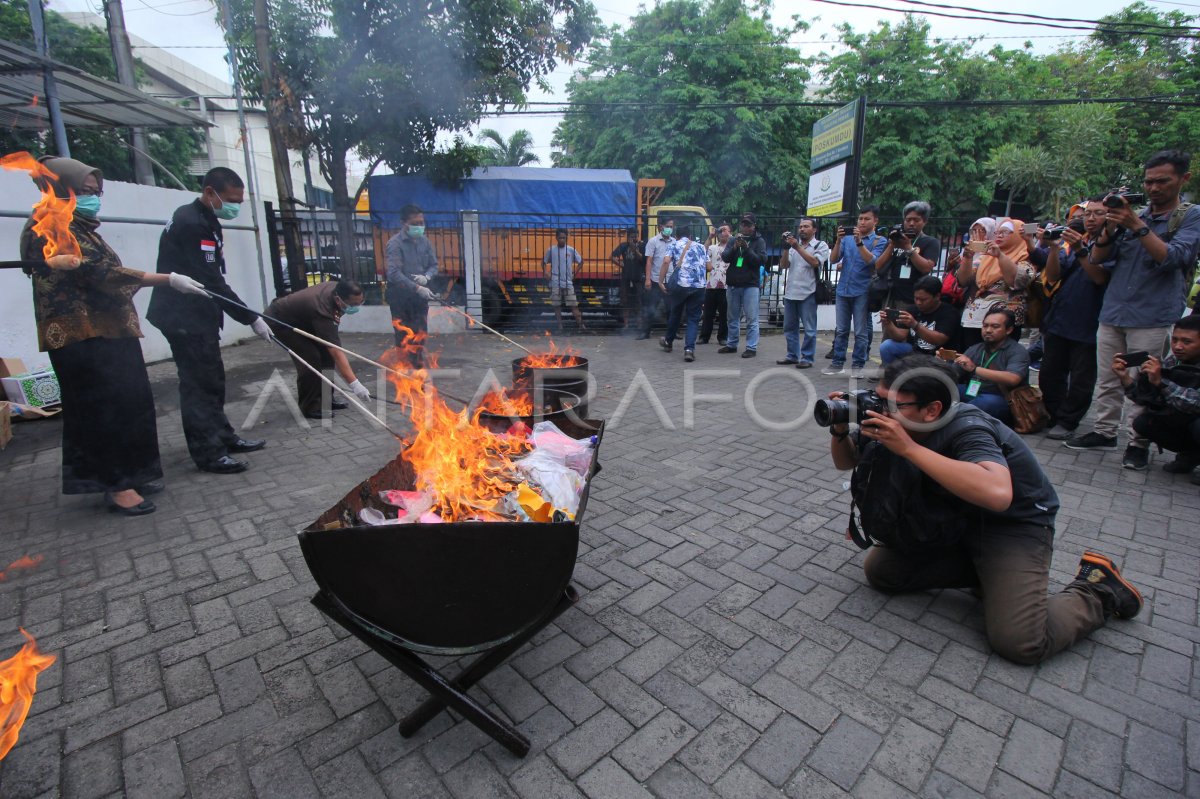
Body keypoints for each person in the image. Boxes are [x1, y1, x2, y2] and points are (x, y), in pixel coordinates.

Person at [828, 355, 1143, 665]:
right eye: (877, 399)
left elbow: (998, 494)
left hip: (1011, 525)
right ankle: (990, 577)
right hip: (957, 519)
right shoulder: (898, 425)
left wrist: (909, 449)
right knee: (882, 572)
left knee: (1020, 642)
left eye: (890, 404)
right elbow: (846, 461)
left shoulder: (968, 426)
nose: (877, 410)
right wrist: (840, 429)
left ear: (932, 410)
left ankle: (1098, 590)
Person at [19, 156, 208, 515]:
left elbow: (104, 276)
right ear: (62, 190)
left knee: (131, 402)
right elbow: (102, 274)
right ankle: (116, 485)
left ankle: (134, 472)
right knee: (101, 409)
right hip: (80, 337)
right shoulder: (47, 228)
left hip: (111, 330)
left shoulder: (82, 227)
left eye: (97, 192)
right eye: (86, 191)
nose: (94, 198)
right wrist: (167, 279)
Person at [1066, 150, 1200, 471]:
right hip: (1114, 311)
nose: (1153, 188)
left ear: (1184, 179)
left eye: (1162, 181)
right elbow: (1099, 260)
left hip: (1153, 315)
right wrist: (1110, 230)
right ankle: (1103, 430)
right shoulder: (1129, 215)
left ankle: (1137, 442)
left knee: (1144, 380)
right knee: (1109, 377)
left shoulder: (1189, 215)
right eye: (1148, 181)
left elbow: (1171, 258)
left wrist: (1136, 225)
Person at [147, 167, 270, 476]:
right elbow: (211, 282)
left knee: (213, 381)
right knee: (199, 386)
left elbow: (212, 277)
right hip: (183, 317)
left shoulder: (204, 218)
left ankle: (224, 437)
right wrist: (250, 317)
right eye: (231, 200)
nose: (235, 206)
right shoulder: (192, 224)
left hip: (198, 315)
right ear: (210, 192)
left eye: (240, 201)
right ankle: (209, 453)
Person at [1039, 200, 1108, 440]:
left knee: (1081, 377)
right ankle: (1054, 413)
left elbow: (1099, 278)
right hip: (1060, 318)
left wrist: (1080, 249)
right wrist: (1055, 249)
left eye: (1098, 214)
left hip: (1089, 320)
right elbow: (1055, 274)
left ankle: (1068, 420)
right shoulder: (1078, 242)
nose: (1090, 218)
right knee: (1049, 372)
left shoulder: (1110, 245)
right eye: (1088, 213)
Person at [265, 279, 369, 420]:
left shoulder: (338, 289)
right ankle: (310, 407)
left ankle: (326, 400)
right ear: (338, 300)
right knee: (310, 359)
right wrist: (355, 384)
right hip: (281, 321)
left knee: (327, 356)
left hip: (305, 319)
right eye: (353, 304)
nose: (357, 307)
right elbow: (336, 352)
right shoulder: (322, 308)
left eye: (360, 302)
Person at [1117, 316, 1200, 481]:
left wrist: (1162, 383)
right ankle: (1190, 456)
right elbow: (1147, 400)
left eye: (1186, 342)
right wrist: (1126, 379)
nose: (1178, 346)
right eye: (1175, 339)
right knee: (1144, 422)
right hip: (1187, 423)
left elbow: (1196, 403)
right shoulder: (1173, 361)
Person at [823, 206, 888, 377]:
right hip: (843, 289)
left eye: (867, 219)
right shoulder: (847, 239)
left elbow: (872, 262)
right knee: (842, 329)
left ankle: (858, 366)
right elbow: (833, 259)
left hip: (863, 291)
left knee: (860, 331)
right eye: (860, 218)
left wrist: (859, 243)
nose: (862, 222)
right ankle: (837, 363)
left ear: (875, 221)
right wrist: (838, 241)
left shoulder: (879, 241)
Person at [955, 217, 1034, 349]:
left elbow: (1016, 281)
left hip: (1003, 325)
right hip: (974, 320)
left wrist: (1000, 256)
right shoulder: (985, 258)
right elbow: (963, 281)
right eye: (997, 232)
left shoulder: (1024, 258)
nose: (999, 235)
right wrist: (968, 259)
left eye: (1005, 232)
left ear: (1017, 235)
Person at [949, 308, 1029, 425]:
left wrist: (975, 369)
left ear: (1009, 330)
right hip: (973, 392)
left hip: (1002, 398)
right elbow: (953, 373)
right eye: (985, 326)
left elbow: (1013, 378)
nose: (988, 330)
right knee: (944, 389)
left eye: (995, 326)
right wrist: (942, 363)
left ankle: (958, 423)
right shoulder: (976, 348)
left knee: (984, 403)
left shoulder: (1017, 351)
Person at [385, 203, 439, 358]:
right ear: (403, 223)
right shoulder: (395, 244)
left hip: (419, 298)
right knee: (404, 334)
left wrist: (427, 277)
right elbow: (394, 273)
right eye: (415, 224)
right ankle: (404, 369)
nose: (419, 227)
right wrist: (416, 287)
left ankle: (417, 366)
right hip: (400, 296)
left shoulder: (425, 241)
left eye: (421, 223)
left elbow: (434, 265)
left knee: (420, 332)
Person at [778, 218, 829, 367]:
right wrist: (787, 248)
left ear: (814, 230)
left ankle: (807, 358)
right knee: (789, 328)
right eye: (800, 227)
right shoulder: (793, 247)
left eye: (806, 226)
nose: (802, 229)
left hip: (809, 293)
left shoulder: (821, 245)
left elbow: (814, 262)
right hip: (791, 292)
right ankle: (792, 355)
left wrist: (797, 247)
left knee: (809, 329)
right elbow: (784, 265)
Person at [878, 275, 960, 364]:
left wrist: (915, 325)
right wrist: (888, 324)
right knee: (887, 346)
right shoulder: (912, 310)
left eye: (923, 299)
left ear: (937, 296)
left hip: (940, 356)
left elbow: (939, 340)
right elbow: (900, 336)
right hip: (915, 352)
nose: (918, 302)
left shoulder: (949, 312)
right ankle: (890, 376)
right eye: (916, 298)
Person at [719, 213, 768, 358]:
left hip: (750, 285)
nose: (745, 227)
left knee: (751, 317)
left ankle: (751, 347)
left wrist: (747, 249)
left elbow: (761, 261)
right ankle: (732, 344)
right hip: (734, 284)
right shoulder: (733, 239)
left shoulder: (759, 241)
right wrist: (734, 247)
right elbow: (725, 258)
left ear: (754, 226)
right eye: (743, 224)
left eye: (748, 225)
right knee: (732, 317)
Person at [657, 222, 708, 361]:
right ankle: (689, 350)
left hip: (680, 285)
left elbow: (666, 261)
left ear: (676, 236)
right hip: (698, 287)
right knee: (693, 318)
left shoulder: (674, 244)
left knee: (676, 313)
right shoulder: (701, 247)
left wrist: (660, 281)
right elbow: (708, 266)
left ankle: (668, 342)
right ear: (690, 235)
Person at [874, 201, 942, 305]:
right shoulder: (895, 240)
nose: (911, 223)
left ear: (925, 221)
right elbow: (878, 266)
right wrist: (892, 245)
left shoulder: (931, 242)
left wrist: (909, 248)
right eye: (908, 220)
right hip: (890, 296)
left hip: (913, 298)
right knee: (887, 321)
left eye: (916, 220)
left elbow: (926, 268)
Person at [638, 217, 675, 340]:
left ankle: (672, 332)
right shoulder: (653, 241)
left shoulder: (674, 242)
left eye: (671, 227)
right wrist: (648, 279)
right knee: (651, 307)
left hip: (670, 280)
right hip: (655, 280)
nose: (670, 229)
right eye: (668, 226)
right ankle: (645, 332)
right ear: (660, 227)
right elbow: (649, 261)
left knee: (672, 308)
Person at [543, 228, 586, 331]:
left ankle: (581, 325)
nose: (562, 239)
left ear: (566, 238)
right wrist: (545, 272)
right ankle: (560, 327)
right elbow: (543, 262)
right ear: (556, 238)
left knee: (573, 305)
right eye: (560, 238)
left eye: (564, 238)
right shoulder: (551, 250)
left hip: (568, 282)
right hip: (555, 282)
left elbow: (581, 262)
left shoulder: (571, 250)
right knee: (557, 306)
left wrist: (574, 273)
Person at [698, 225, 730, 346]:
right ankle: (704, 336)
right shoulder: (712, 247)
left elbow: (740, 261)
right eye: (720, 231)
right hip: (711, 285)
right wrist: (710, 237)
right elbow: (702, 252)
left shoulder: (734, 248)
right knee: (708, 313)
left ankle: (722, 337)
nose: (722, 233)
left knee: (724, 314)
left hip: (727, 285)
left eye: (725, 230)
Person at [611, 227, 644, 328]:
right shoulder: (624, 246)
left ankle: (639, 324)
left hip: (638, 277)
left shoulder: (641, 246)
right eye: (632, 237)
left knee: (639, 301)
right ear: (628, 237)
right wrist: (622, 265)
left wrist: (634, 248)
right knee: (625, 301)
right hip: (626, 277)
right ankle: (626, 325)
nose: (634, 238)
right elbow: (612, 257)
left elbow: (642, 259)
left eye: (635, 236)